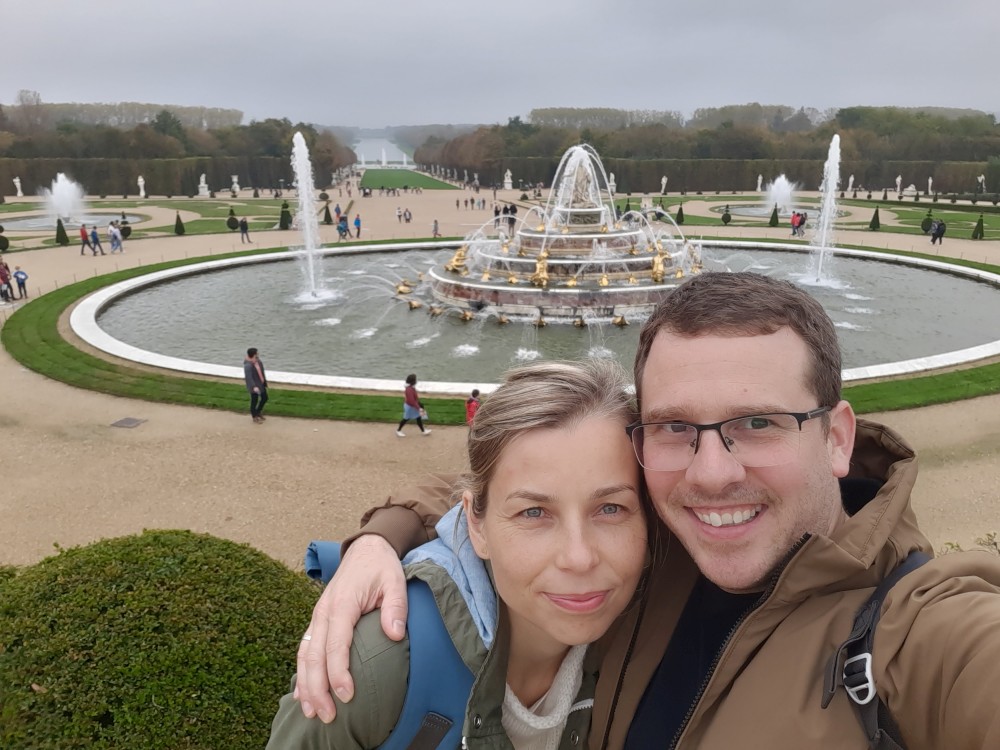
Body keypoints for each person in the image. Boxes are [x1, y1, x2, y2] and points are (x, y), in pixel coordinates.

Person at [295, 271, 1000, 748]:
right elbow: (518, 478)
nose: (712, 474)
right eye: (675, 427)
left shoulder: (919, 630)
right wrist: (380, 538)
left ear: (837, 437)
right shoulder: (656, 539)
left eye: (759, 422)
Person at [268, 360, 648, 749]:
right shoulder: (376, 667)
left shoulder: (651, 625)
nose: (579, 557)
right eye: (534, 513)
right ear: (475, 525)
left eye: (611, 508)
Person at [243, 347, 268, 424]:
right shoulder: (248, 365)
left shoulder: (258, 361)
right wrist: (254, 386)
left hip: (261, 384)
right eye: (257, 353)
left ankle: (258, 412)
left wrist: (264, 381)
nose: (258, 354)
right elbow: (249, 377)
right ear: (254, 354)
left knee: (265, 398)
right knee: (254, 401)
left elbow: (261, 371)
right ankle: (254, 416)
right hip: (254, 386)